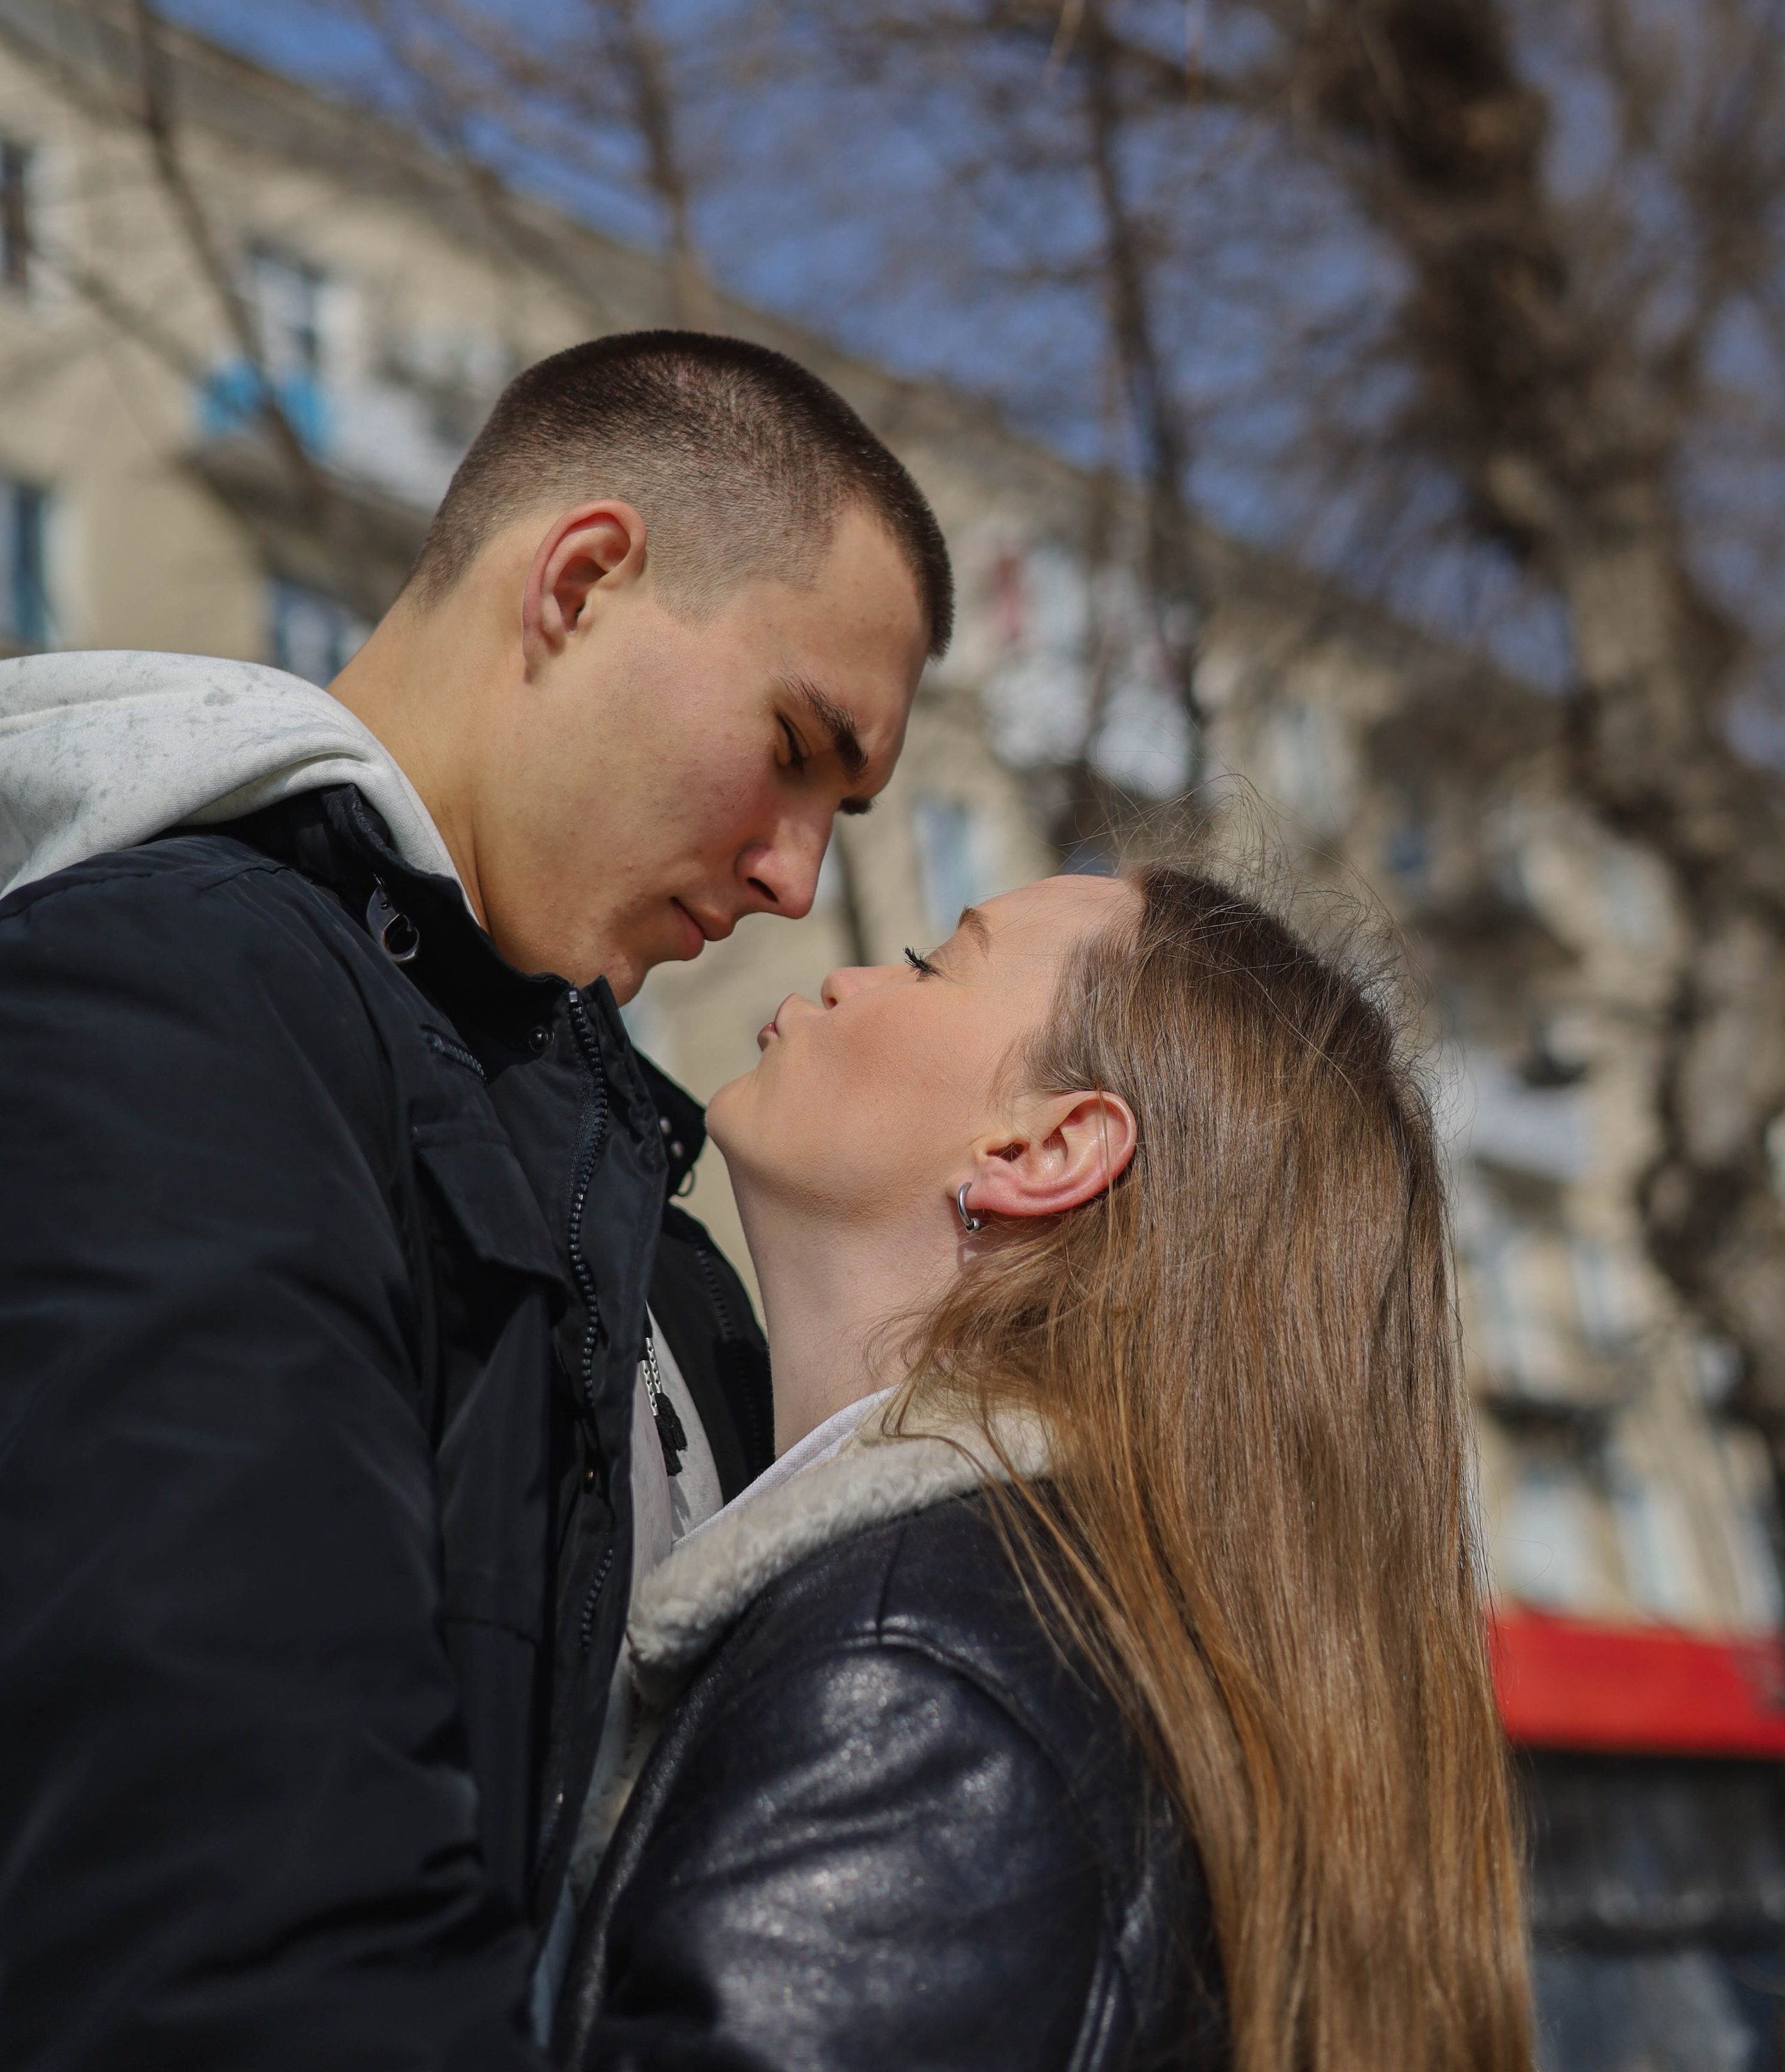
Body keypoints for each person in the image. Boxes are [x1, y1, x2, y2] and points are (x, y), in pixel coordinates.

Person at [0, 329, 950, 2069]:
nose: (794, 876)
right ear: (580, 582)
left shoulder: (657, 1245)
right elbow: (221, 1925)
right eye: (794, 749)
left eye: (846, 807)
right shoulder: (177, 990)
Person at [557, 866, 1535, 2072]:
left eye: (931, 963)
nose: (845, 968)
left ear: (1049, 1146)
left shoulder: (912, 1668)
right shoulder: (1061, 1630)